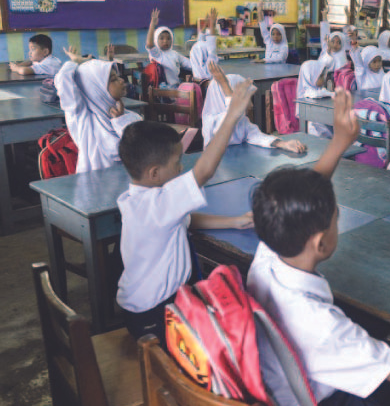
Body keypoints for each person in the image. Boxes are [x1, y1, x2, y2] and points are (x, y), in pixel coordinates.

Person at [247, 88, 390, 406]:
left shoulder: (269, 252)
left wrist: (340, 141)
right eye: (335, 218)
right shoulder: (322, 324)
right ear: (321, 243)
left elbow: (304, 192)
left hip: (284, 386)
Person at [116, 78, 257, 343]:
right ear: (155, 173)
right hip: (157, 316)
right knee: (237, 332)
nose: (181, 168)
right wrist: (231, 116)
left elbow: (186, 221)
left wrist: (234, 221)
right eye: (177, 163)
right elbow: (204, 171)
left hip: (139, 309)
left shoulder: (136, 199)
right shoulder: (159, 204)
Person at [56, 46, 142, 173]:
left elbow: (140, 152)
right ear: (96, 88)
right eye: (113, 80)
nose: (122, 80)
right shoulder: (83, 117)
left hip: (127, 184)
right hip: (93, 187)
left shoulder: (131, 117)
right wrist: (76, 61)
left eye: (118, 77)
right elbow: (63, 79)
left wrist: (121, 121)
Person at [201, 62, 305, 152]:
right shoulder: (212, 122)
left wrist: (282, 144)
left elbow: (255, 135)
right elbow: (230, 119)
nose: (251, 105)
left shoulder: (242, 121)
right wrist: (225, 85)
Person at [146, 8, 192, 87]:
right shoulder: (156, 53)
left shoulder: (174, 54)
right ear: (156, 40)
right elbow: (149, 44)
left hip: (176, 85)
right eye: (161, 38)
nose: (165, 41)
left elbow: (190, 64)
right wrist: (152, 25)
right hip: (163, 87)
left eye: (168, 38)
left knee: (192, 88)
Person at [296, 60, 334, 137]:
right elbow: (316, 94)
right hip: (316, 134)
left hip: (325, 128)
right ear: (311, 77)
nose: (324, 78)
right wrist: (331, 94)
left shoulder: (318, 90)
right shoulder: (308, 93)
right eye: (321, 76)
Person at [190, 8, 219, 83]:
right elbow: (211, 47)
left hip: (198, 84)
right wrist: (212, 24)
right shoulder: (210, 65)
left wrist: (206, 24)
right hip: (208, 85)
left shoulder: (195, 66)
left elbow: (200, 40)